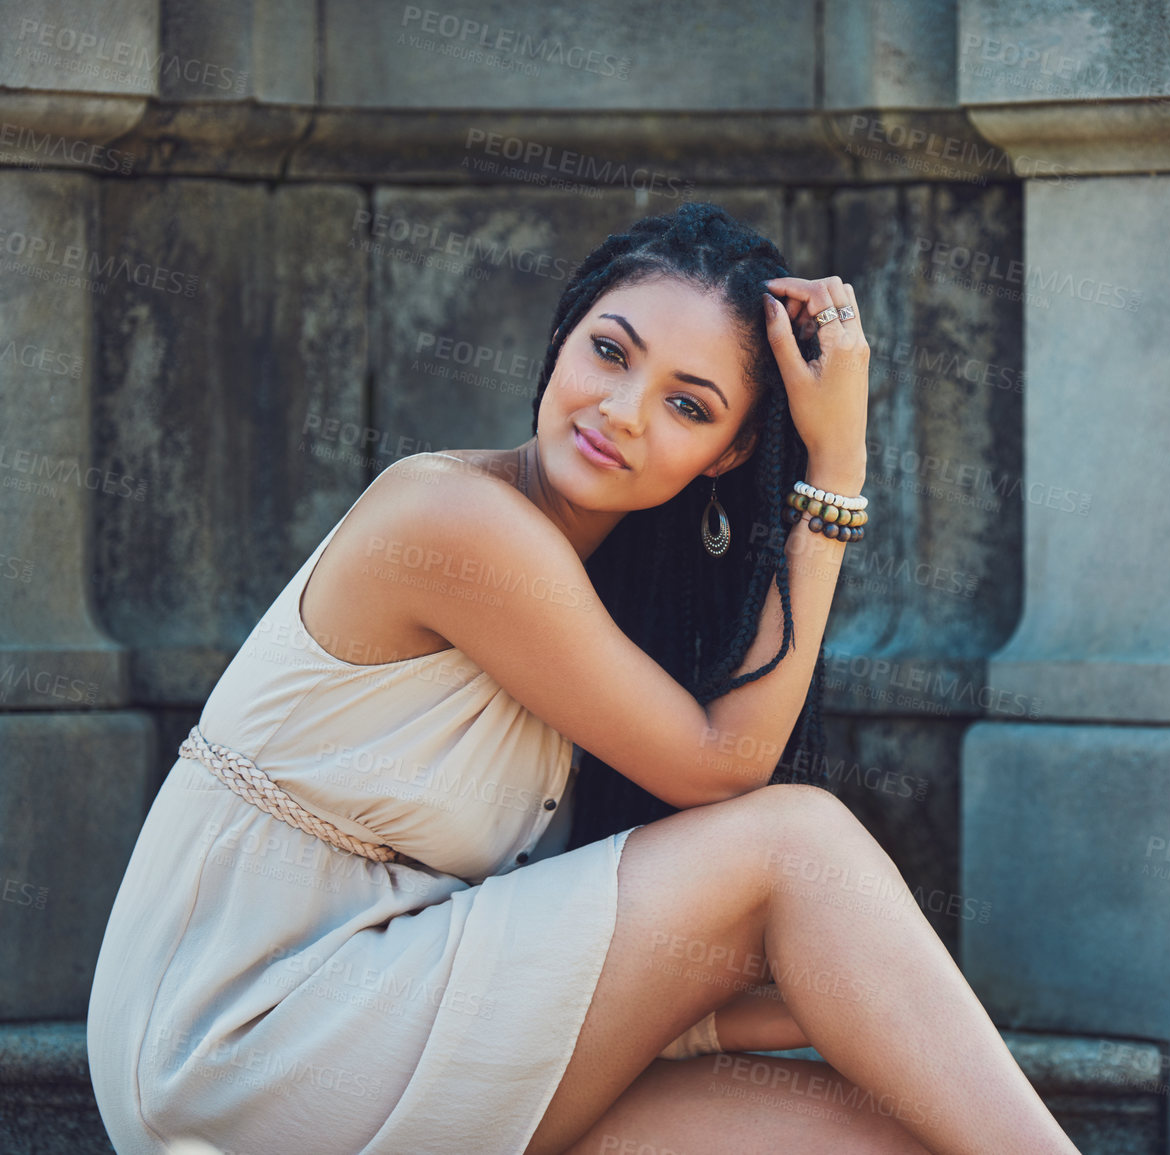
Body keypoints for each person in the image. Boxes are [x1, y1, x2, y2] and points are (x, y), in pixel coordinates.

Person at [86, 203, 1081, 1154]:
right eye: (610, 351)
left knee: (871, 1139)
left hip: (381, 1023)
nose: (622, 411)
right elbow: (725, 769)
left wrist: (781, 1006)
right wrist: (838, 476)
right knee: (797, 840)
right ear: (562, 337)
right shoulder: (451, 520)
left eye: (687, 404)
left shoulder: (600, 600)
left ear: (725, 454)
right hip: (241, 1053)